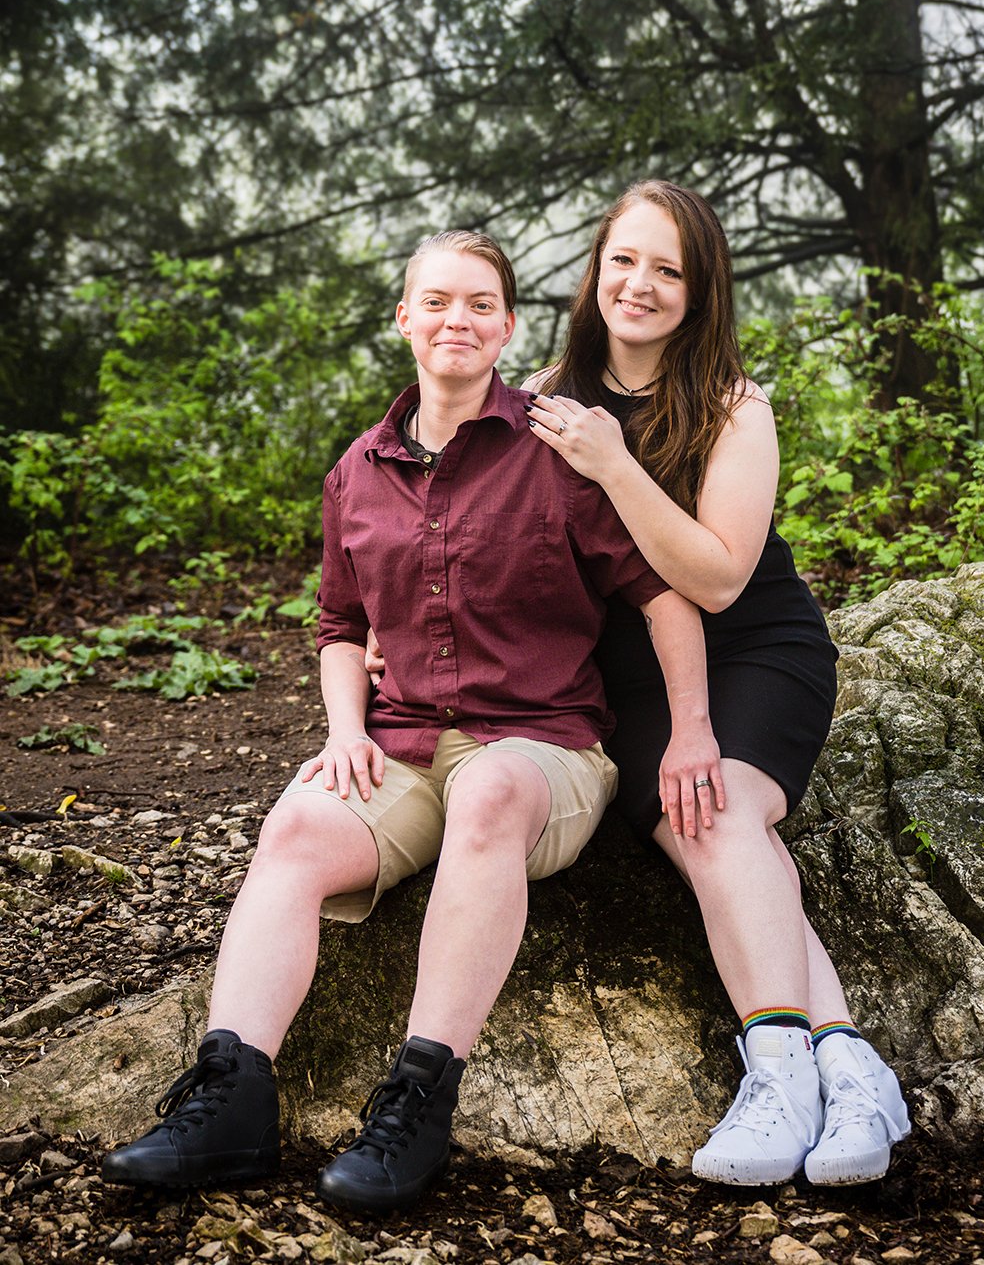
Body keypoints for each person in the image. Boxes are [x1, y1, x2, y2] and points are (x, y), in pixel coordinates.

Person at [102, 228, 684, 1215]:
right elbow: (339, 622)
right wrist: (343, 731)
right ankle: (232, 1100)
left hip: (541, 748)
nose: (456, 319)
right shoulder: (355, 472)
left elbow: (664, 598)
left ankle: (417, 1096)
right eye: (436, 301)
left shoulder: (557, 452)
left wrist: (699, 731)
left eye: (479, 304)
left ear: (505, 326)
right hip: (404, 744)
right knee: (292, 827)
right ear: (403, 318)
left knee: (492, 789)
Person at [523, 179, 910, 1187]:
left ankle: (774, 1074)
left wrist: (613, 465)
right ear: (594, 268)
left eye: (667, 270)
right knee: (716, 836)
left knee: (721, 810)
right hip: (631, 681)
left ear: (699, 293)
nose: (639, 285)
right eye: (624, 260)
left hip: (754, 652)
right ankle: (847, 1066)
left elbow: (717, 573)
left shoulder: (734, 407)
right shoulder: (539, 400)